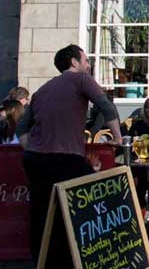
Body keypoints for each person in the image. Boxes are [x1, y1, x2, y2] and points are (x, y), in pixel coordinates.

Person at [17, 44, 123, 265]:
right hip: (64, 158)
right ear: (74, 62)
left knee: (42, 213)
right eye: (85, 60)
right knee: (85, 210)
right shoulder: (81, 79)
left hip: (35, 159)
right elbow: (106, 106)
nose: (88, 64)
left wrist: (33, 148)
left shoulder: (42, 89)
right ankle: (83, 258)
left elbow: (22, 127)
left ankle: (43, 260)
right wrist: (117, 137)